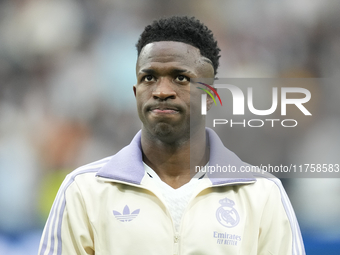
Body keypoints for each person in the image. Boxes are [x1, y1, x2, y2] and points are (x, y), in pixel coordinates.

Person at [38, 16, 305, 255]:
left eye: (180, 78)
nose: (161, 90)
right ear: (135, 93)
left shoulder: (262, 193)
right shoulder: (84, 190)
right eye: (149, 77)